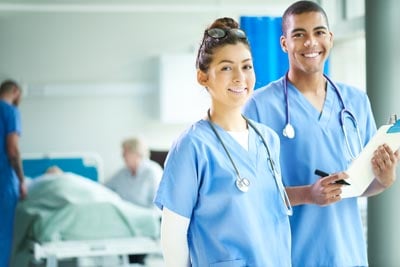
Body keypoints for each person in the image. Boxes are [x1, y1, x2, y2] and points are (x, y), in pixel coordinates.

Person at [243, 1, 400, 266]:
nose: (310, 43)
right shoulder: (259, 106)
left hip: (348, 255)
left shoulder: (356, 102)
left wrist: (384, 180)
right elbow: (249, 193)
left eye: (318, 32)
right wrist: (308, 194)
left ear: (330, 37)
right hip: (291, 256)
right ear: (284, 43)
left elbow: (360, 185)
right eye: (299, 34)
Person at [154, 17, 292, 267]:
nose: (240, 77)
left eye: (247, 66)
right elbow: (172, 239)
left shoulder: (268, 139)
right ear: (203, 77)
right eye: (227, 68)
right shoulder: (193, 146)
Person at [0, 79, 27, 267]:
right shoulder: (10, 111)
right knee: (2, 236)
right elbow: (12, 150)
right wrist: (22, 180)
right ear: (16, 91)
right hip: (3, 181)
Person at [106, 137, 162, 209]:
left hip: (146, 217)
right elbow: (104, 189)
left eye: (125, 153)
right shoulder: (122, 173)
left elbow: (157, 207)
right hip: (124, 214)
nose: (123, 156)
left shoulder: (153, 172)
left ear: (136, 153)